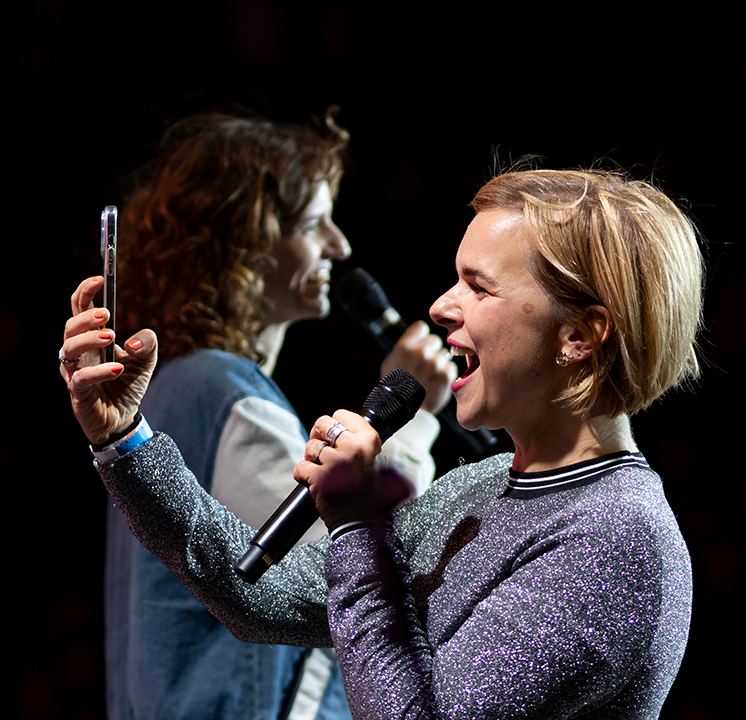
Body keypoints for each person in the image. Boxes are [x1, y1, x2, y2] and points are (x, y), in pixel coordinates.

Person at [61, 168, 703, 719]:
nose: (443, 307)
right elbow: (257, 593)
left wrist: (357, 526)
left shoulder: (619, 540)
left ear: (579, 338)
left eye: (479, 288)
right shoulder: (478, 488)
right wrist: (125, 439)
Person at [95, 112, 456, 720]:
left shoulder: (176, 383)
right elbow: (344, 579)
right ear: (249, 238)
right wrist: (410, 415)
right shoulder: (227, 393)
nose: (340, 245)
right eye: (316, 223)